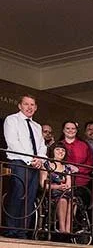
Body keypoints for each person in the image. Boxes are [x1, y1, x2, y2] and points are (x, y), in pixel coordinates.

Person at [3, 95, 46, 238]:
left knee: (30, 197)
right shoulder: (12, 120)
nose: (29, 107)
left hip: (34, 166)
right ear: (20, 106)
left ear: (36, 107)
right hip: (19, 163)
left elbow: (41, 146)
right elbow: (13, 143)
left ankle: (22, 231)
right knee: (18, 195)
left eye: (32, 105)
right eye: (26, 104)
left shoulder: (37, 126)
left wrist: (39, 160)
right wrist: (30, 159)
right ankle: (11, 230)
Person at [40, 142, 77, 234]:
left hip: (64, 192)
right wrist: (58, 186)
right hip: (51, 192)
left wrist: (66, 187)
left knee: (73, 201)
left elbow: (69, 184)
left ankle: (68, 230)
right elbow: (43, 184)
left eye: (63, 150)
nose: (61, 152)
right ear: (52, 151)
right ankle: (62, 229)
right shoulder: (46, 165)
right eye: (58, 149)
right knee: (63, 200)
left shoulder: (66, 168)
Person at [60, 120, 93, 191]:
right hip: (61, 182)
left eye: (73, 128)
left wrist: (78, 169)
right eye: (67, 128)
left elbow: (90, 164)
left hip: (82, 183)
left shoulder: (84, 145)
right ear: (63, 130)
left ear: (76, 130)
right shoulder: (58, 145)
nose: (70, 130)